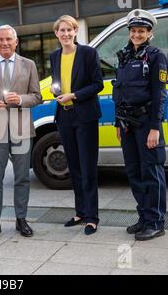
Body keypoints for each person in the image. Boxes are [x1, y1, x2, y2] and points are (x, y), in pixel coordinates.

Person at [0, 25, 42, 241]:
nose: (5, 43)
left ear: (16, 42)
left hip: (22, 129)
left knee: (22, 177)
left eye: (8, 39)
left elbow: (37, 96)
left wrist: (21, 100)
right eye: (1, 39)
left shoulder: (29, 65)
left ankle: (21, 219)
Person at [113, 9, 167, 241]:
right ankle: (144, 217)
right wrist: (117, 122)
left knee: (151, 171)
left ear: (149, 33)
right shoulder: (125, 56)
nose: (137, 34)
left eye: (141, 31)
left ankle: (156, 222)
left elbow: (159, 94)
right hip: (126, 124)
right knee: (134, 171)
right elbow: (120, 91)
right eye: (134, 31)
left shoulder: (156, 56)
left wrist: (155, 127)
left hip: (146, 123)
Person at [49, 15, 104, 235]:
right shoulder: (54, 56)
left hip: (85, 116)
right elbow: (58, 82)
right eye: (61, 30)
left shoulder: (89, 53)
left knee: (88, 167)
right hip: (64, 117)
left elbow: (98, 84)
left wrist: (74, 94)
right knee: (74, 167)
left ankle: (92, 217)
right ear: (56, 34)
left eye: (69, 30)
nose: (65, 34)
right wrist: (58, 92)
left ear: (75, 31)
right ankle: (81, 211)